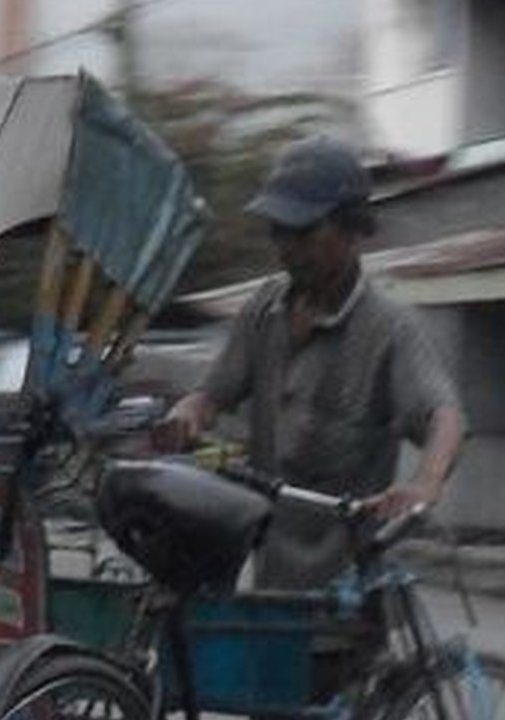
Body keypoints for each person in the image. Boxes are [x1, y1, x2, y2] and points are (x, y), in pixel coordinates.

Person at [152, 135, 466, 591]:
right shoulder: (264, 309)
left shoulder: (388, 328)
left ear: (352, 230)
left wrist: (425, 484)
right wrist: (187, 413)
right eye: (278, 231)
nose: (286, 247)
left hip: (346, 584)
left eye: (303, 233)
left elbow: (446, 415)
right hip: (269, 573)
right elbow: (211, 395)